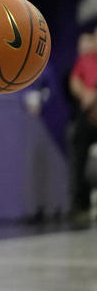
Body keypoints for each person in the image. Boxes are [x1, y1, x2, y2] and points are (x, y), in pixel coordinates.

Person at [67, 31, 97, 228]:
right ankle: (80, 206)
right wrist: (85, 93)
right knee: (78, 153)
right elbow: (74, 81)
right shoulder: (85, 59)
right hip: (87, 116)